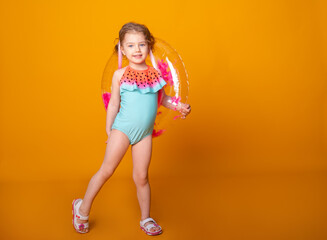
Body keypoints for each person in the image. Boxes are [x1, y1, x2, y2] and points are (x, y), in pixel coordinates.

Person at [72, 22, 191, 235]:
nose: (137, 49)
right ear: (122, 50)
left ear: (149, 47)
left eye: (141, 44)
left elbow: (163, 99)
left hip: (144, 134)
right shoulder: (120, 75)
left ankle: (146, 218)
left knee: (142, 177)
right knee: (107, 170)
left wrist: (179, 105)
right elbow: (114, 103)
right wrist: (110, 130)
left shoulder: (155, 74)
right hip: (122, 129)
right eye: (131, 45)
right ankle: (81, 209)